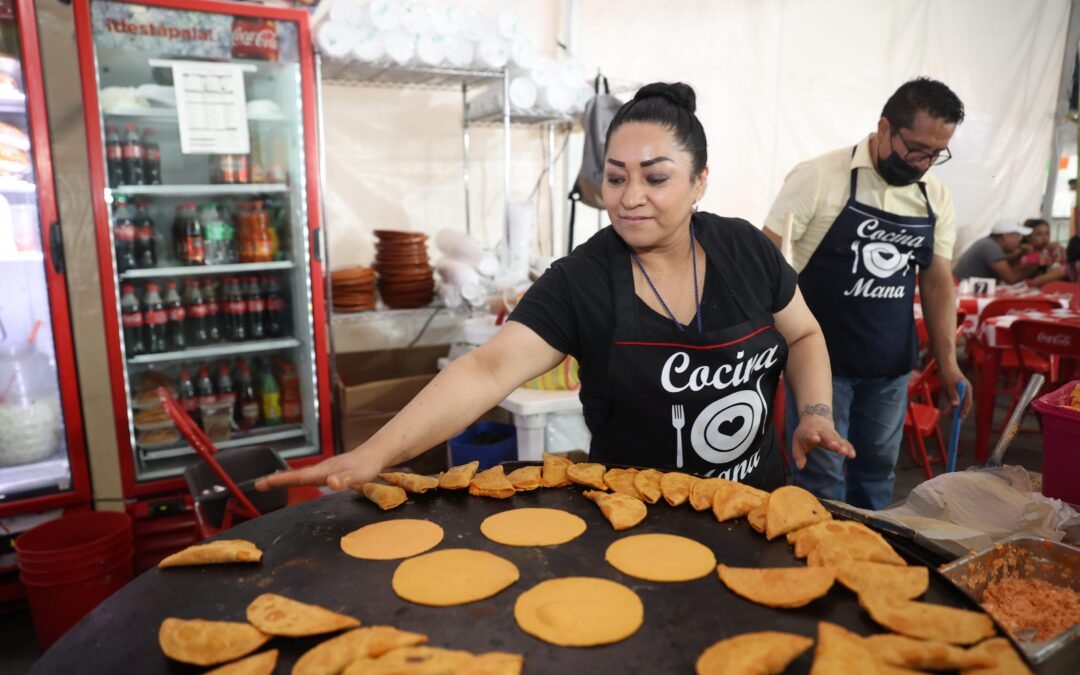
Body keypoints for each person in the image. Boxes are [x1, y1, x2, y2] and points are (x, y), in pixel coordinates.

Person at [258, 82, 853, 494]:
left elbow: (802, 333)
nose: (630, 196)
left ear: (700, 181)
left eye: (656, 177)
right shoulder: (583, 279)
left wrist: (816, 412)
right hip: (634, 519)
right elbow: (485, 371)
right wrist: (374, 454)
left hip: (755, 504)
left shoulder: (745, 249)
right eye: (615, 178)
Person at [763, 77, 971, 510]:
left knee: (877, 478)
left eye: (937, 154)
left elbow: (936, 283)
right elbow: (765, 266)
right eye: (915, 148)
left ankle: (868, 567)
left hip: (890, 369)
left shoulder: (936, 198)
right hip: (821, 368)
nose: (923, 163)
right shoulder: (819, 178)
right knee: (820, 483)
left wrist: (948, 363)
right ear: (884, 128)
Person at [952, 218, 1037, 283]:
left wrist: (1019, 254)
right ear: (1006, 236)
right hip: (960, 292)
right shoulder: (989, 247)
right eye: (1017, 235)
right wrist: (1033, 263)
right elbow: (1011, 278)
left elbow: (1004, 260)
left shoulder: (988, 243)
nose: (1019, 240)